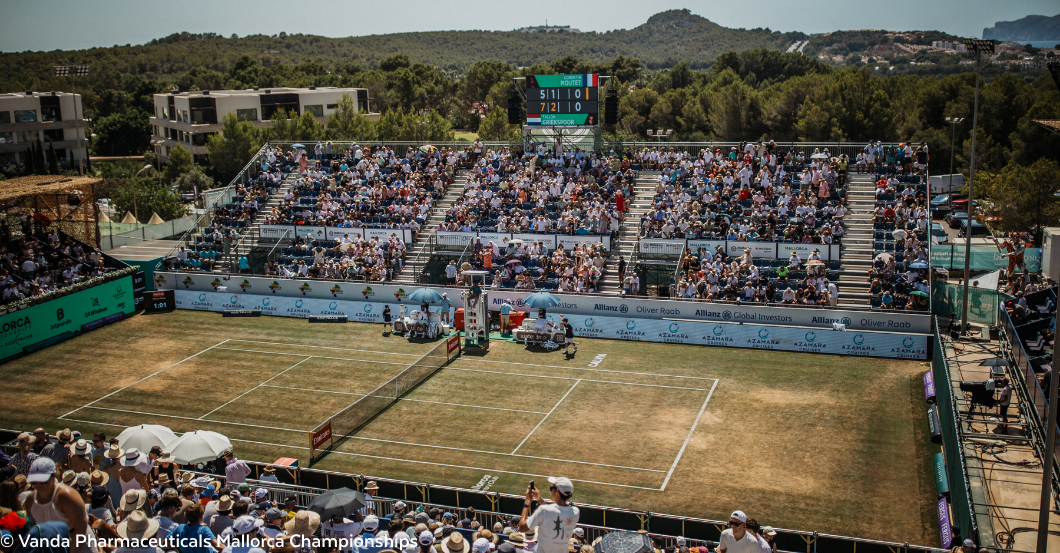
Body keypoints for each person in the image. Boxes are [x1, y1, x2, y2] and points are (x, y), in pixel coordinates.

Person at [22, 458, 93, 553]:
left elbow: (80, 529)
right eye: (35, 481)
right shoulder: (30, 501)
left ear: (53, 476)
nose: (39, 484)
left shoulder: (67, 496)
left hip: (80, 546)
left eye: (43, 481)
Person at [518, 477, 579, 553]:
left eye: (551, 488)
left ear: (557, 491)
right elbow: (556, 510)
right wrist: (540, 500)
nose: (551, 491)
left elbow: (522, 528)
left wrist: (527, 502)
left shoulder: (543, 510)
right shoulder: (575, 512)